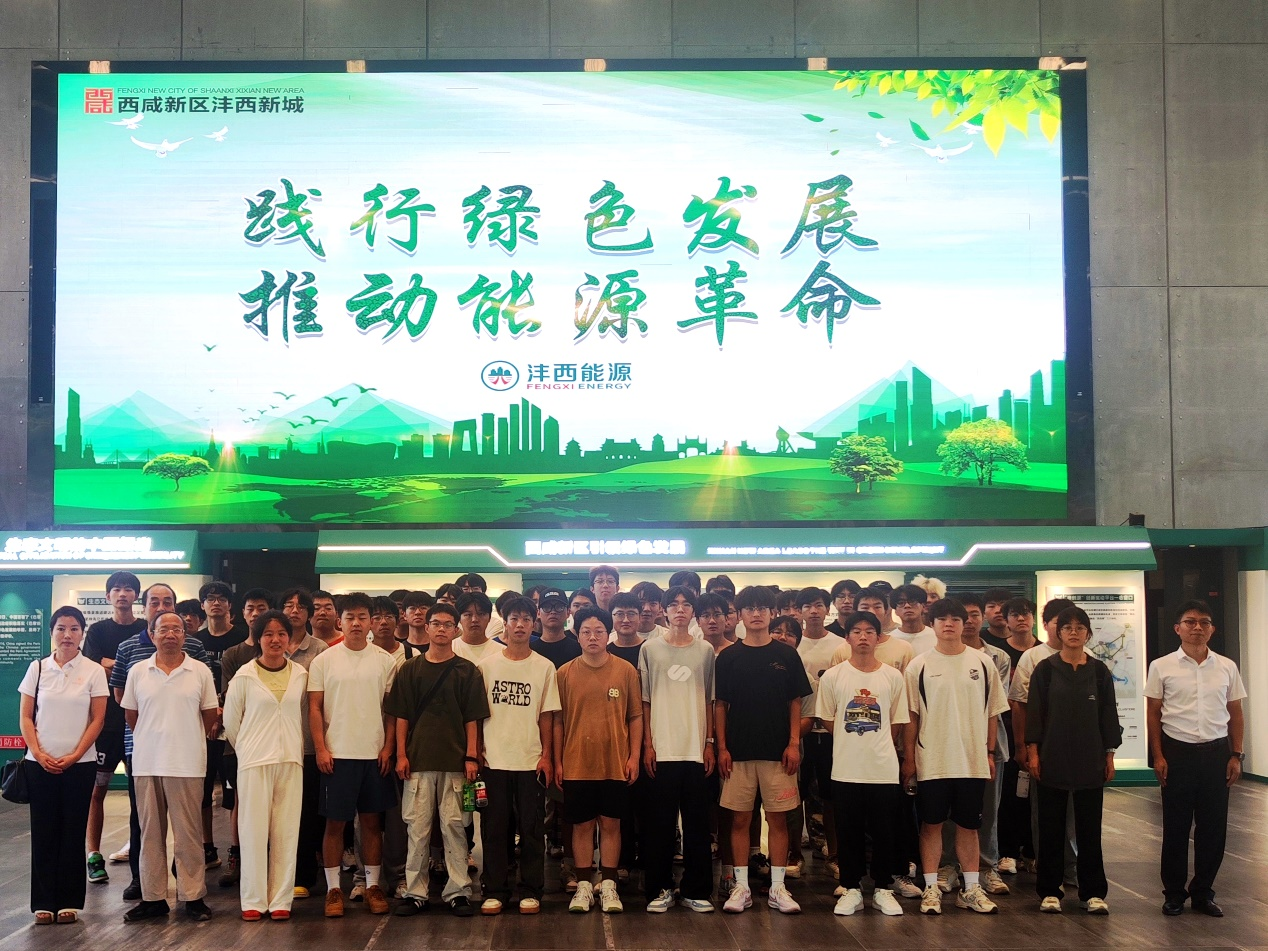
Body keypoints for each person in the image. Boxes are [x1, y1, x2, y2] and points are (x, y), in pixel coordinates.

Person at [902, 598, 1009, 916]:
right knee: (931, 825)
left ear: (965, 624)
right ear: (932, 624)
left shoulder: (983, 663)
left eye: (955, 619)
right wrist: (909, 759)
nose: (949, 623)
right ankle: (931, 888)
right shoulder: (918, 665)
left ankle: (971, 889)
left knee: (969, 826)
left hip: (971, 761)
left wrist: (989, 753)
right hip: (932, 760)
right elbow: (911, 717)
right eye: (942, 619)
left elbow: (992, 713)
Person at [108, 583, 212, 902]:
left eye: (176, 629)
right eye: (163, 629)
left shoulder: (200, 671)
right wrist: (153, 737)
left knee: (189, 835)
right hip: (147, 763)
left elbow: (209, 716)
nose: (170, 634)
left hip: (187, 763)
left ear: (185, 635)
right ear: (151, 635)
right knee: (150, 835)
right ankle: (152, 898)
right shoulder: (138, 671)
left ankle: (192, 897)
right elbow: (131, 714)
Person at [387, 601, 488, 917]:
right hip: (417, 761)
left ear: (455, 630)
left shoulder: (467, 670)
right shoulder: (410, 669)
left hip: (456, 762)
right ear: (426, 627)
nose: (441, 629)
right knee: (417, 829)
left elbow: (472, 718)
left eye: (447, 624)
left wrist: (471, 756)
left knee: (455, 827)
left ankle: (458, 891)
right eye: (436, 623)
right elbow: (401, 716)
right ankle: (415, 892)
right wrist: (401, 754)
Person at [1146, 599, 1246, 917]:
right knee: (1175, 827)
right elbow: (1153, 713)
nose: (1197, 627)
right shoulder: (1161, 666)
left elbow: (1236, 712)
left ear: (1212, 629)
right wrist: (1158, 755)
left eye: (1204, 622)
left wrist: (1236, 754)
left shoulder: (1227, 666)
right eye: (1190, 622)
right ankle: (1174, 894)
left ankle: (1203, 893)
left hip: (1217, 754)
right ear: (1178, 628)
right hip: (1177, 753)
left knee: (1213, 828)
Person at [715, 585, 811, 915]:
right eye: (749, 608)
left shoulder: (787, 654)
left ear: (772, 613)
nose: (756, 614)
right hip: (738, 753)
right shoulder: (728, 657)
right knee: (740, 820)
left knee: (778, 820)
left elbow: (795, 701)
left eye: (762, 608)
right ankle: (741, 886)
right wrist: (722, 747)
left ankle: (778, 887)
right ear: (739, 615)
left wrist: (794, 743)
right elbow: (720, 705)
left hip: (778, 753)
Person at [307, 592, 398, 917]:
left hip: (374, 755)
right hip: (337, 755)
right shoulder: (324, 660)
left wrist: (388, 747)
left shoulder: (385, 661)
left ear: (371, 621)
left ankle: (373, 886)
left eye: (362, 617)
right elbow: (314, 707)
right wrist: (321, 748)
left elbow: (391, 711)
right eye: (350, 617)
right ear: (340, 621)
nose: (356, 623)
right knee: (335, 824)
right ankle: (333, 890)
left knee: (372, 823)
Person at [1026, 606, 1119, 915]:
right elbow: (1035, 713)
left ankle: (1093, 893)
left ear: (1088, 634)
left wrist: (1109, 755)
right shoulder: (1045, 670)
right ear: (1059, 632)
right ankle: (1049, 891)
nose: (1074, 632)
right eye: (1068, 627)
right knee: (1050, 828)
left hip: (1091, 759)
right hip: (1052, 758)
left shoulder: (1099, 671)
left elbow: (1108, 715)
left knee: (1089, 830)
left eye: (1080, 627)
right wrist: (1033, 753)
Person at [20, 606, 108, 925]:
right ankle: (43, 903)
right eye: (61, 628)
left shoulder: (93, 671)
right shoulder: (37, 668)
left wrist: (74, 755)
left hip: (80, 764)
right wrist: (38, 753)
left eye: (74, 629)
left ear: (82, 633)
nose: (67, 634)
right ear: (52, 632)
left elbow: (97, 719)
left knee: (72, 831)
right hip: (38, 764)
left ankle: (69, 901)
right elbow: (26, 717)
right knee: (43, 832)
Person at [816, 610, 907, 917]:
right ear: (847, 637)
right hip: (846, 767)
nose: (863, 636)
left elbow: (896, 721)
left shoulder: (892, 676)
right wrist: (851, 739)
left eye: (870, 631)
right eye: (857, 631)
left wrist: (877, 743)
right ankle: (851, 888)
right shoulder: (834, 676)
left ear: (879, 638)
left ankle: (883, 888)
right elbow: (827, 718)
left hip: (883, 768)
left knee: (884, 831)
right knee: (848, 831)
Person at [554, 605, 643, 915]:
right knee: (581, 826)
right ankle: (582, 885)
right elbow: (558, 721)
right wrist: (558, 761)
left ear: (609, 634)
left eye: (599, 632)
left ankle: (608, 884)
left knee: (611, 824)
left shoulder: (626, 671)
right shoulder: (564, 673)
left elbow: (635, 716)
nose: (592, 637)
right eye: (586, 632)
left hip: (615, 762)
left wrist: (634, 756)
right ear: (577, 636)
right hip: (576, 762)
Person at [476, 596, 560, 915]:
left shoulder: (544, 667)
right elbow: (477, 715)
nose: (520, 625)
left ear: (534, 623)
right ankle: (495, 889)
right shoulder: (487, 666)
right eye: (514, 619)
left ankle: (531, 889)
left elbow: (547, 715)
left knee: (532, 829)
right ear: (505, 623)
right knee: (494, 829)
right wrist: (476, 752)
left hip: (530, 761)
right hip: (493, 761)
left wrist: (547, 755)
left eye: (526, 619)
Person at [222, 611, 307, 921]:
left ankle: (281, 899)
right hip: (254, 761)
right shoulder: (244, 676)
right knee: (253, 831)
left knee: (287, 831)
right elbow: (232, 723)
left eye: (281, 634)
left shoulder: (300, 674)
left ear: (289, 638)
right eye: (268, 634)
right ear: (258, 639)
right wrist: (248, 748)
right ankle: (254, 900)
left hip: (290, 760)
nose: (275, 639)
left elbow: (300, 714)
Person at [639, 586, 716, 914]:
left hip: (696, 750)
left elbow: (710, 699)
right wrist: (648, 744)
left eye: (686, 604)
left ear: (693, 611)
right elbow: (644, 700)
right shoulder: (650, 649)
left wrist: (709, 742)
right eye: (673, 604)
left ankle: (696, 889)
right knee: (659, 824)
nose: (680, 609)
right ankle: (660, 887)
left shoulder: (705, 650)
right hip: (662, 749)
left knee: (697, 824)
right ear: (664, 611)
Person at [82, 570, 146, 887]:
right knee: (97, 791)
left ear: (136, 596)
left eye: (128, 589)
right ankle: (93, 854)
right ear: (108, 596)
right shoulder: (97, 630)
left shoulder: (145, 629)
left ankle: (138, 850)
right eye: (117, 589)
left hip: (139, 724)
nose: (122, 594)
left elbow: (111, 667)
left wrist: (112, 664)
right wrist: (127, 664)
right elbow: (93, 665)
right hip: (105, 724)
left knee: (140, 794)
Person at [277, 587, 327, 901]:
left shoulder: (320, 649)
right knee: (278, 812)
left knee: (307, 814)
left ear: (309, 613)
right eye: (288, 605)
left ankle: (304, 875)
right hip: (276, 744)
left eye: (300, 606)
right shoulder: (270, 644)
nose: (294, 610)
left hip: (308, 744)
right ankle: (275, 873)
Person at [196, 581, 248, 874]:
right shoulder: (195, 641)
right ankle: (207, 847)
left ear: (230, 605)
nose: (216, 603)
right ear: (202, 605)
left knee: (234, 793)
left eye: (221, 599)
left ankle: (235, 851)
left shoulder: (241, 639)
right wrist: (209, 717)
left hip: (233, 727)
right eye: (210, 598)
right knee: (202, 791)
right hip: (202, 725)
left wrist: (222, 716)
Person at [794, 587, 844, 878]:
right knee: (794, 795)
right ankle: (793, 854)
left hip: (830, 730)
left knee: (831, 795)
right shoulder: (792, 644)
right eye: (807, 606)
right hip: (798, 731)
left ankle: (835, 854)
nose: (813, 611)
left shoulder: (840, 645)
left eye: (818, 605)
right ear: (799, 611)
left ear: (827, 609)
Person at [533, 589, 582, 668]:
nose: (553, 612)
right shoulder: (529, 651)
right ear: (538, 613)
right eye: (547, 607)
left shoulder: (580, 650)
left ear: (568, 612)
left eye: (559, 607)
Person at [454, 591, 500, 665]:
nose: (474, 619)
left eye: (481, 614)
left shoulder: (501, 651)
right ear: (459, 618)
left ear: (489, 618)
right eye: (468, 615)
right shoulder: (449, 650)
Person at [890, 584, 935, 654]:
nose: (907, 606)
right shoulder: (890, 639)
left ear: (923, 606)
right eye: (901, 603)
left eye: (912, 601)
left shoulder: (936, 636)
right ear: (895, 611)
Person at [399, 591, 434, 659]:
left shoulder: (440, 646)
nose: (418, 612)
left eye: (423, 608)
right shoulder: (400, 650)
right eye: (412, 608)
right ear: (404, 614)